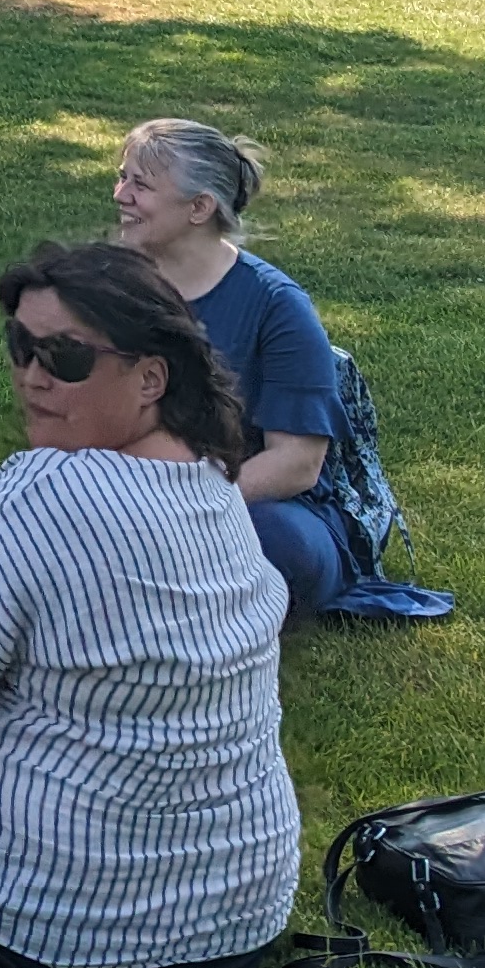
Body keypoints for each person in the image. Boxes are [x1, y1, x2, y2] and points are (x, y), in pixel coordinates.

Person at [0, 241, 300, 968]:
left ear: (150, 377)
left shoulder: (45, 488)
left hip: (44, 921)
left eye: (65, 358)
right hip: (236, 918)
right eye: (21, 347)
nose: (33, 375)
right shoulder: (215, 485)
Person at [109, 119, 352, 620]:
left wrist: (183, 504)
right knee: (1, 493)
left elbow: (298, 462)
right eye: (122, 177)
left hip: (245, 499)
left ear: (200, 208)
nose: (120, 194)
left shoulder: (276, 305)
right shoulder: (111, 284)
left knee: (281, 544)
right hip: (131, 484)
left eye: (140, 184)